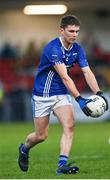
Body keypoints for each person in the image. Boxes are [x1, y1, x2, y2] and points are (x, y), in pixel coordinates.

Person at [18, 15, 108, 175]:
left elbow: (87, 72)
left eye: (77, 31)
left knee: (69, 126)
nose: (75, 34)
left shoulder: (78, 49)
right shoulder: (53, 48)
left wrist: (99, 93)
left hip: (61, 93)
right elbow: (65, 77)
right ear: (62, 30)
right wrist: (80, 99)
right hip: (42, 95)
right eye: (71, 31)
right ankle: (24, 149)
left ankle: (62, 165)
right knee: (41, 135)